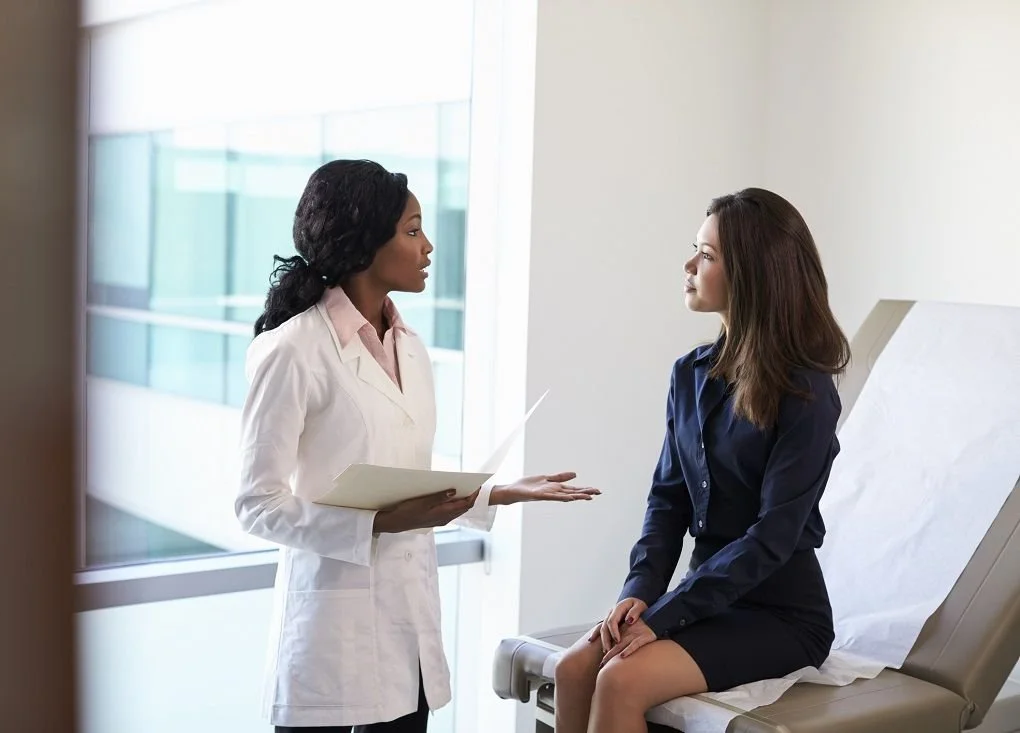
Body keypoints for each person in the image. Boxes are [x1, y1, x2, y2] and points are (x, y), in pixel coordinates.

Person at [235, 159, 600, 733]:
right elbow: (258, 504)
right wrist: (377, 525)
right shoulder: (294, 349)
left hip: (408, 642)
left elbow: (408, 483)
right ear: (363, 242)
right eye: (411, 230)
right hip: (331, 642)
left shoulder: (410, 347)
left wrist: (499, 492)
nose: (428, 245)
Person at [552, 188, 851, 733]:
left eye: (707, 255)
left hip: (781, 615)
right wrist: (640, 594)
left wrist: (667, 616)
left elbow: (773, 537)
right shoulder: (690, 373)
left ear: (752, 274)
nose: (689, 265)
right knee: (574, 668)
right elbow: (667, 502)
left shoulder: (806, 392)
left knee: (619, 678)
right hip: (706, 599)